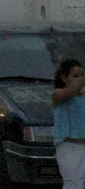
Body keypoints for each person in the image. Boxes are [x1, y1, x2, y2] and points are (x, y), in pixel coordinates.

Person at [53, 57, 85, 189]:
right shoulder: (59, 94)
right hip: (69, 148)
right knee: (74, 185)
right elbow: (70, 91)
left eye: (81, 75)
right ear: (63, 78)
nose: (79, 79)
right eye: (75, 76)